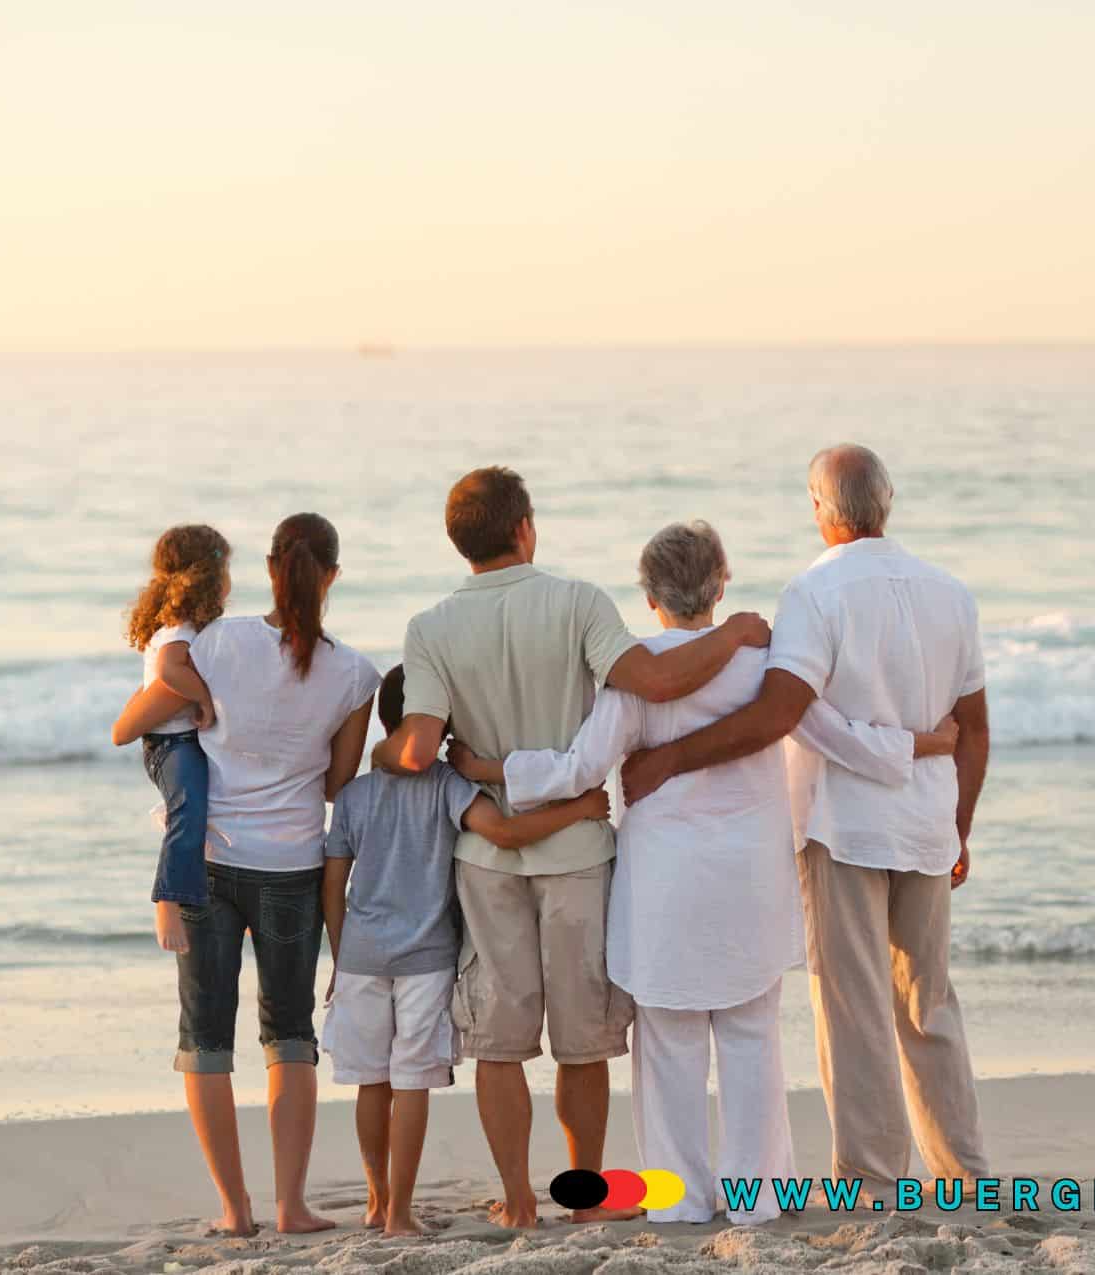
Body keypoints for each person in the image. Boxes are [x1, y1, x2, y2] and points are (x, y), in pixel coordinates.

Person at [449, 521, 959, 1225]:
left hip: (665, 883)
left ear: (650, 596)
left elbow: (575, 769)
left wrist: (489, 768)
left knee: (669, 1046)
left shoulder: (634, 676)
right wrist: (924, 744)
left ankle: (680, 1198)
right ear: (721, 584)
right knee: (752, 1038)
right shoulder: (763, 663)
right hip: (749, 877)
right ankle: (757, 1197)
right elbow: (832, 735)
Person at [371, 466, 771, 1228]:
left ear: (461, 543)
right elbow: (650, 679)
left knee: (499, 1036)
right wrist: (737, 632)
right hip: (580, 850)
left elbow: (420, 746)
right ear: (525, 528)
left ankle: (519, 1200)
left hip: (487, 859)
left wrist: (384, 760)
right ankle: (585, 1200)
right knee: (581, 1039)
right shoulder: (579, 601)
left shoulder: (428, 628)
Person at [621, 445, 992, 1202]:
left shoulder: (814, 594)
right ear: (885, 502)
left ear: (824, 511)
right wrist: (961, 824)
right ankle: (965, 1174)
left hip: (844, 826)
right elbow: (976, 726)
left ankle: (872, 1177)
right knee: (930, 1003)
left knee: (853, 1004)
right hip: (925, 826)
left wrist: (671, 759)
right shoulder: (951, 592)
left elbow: (779, 712)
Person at [114, 512, 380, 1236]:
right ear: (331, 577)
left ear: (269, 569)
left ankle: (235, 1211)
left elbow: (155, 712)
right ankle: (291, 1206)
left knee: (205, 1037)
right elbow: (336, 782)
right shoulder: (355, 673)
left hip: (208, 862)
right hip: (291, 864)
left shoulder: (218, 640)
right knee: (289, 1035)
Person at [321, 665, 615, 1238]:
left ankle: (377, 1202)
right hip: (426, 959)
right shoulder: (448, 787)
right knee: (409, 1082)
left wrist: (338, 953)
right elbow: (503, 833)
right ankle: (401, 1215)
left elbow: (334, 884)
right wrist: (578, 811)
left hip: (359, 957)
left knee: (371, 1082)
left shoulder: (353, 796)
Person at [110, 524, 230, 953]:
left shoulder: (187, 628)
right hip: (171, 744)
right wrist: (206, 702)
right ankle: (168, 898)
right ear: (209, 578)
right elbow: (168, 673)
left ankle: (229, 896)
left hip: (182, 741)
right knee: (190, 810)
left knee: (215, 814)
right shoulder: (178, 631)